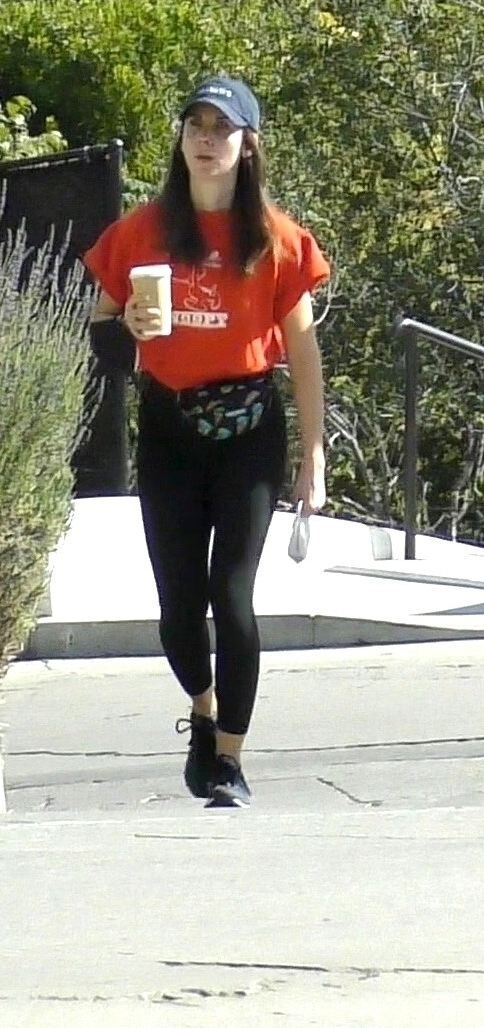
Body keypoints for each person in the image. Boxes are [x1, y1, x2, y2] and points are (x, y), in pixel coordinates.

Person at [83, 76, 329, 808]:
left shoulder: (277, 238)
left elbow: (304, 352)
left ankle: (229, 759)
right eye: (196, 124)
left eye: (223, 128)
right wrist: (126, 329)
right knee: (178, 608)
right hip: (170, 428)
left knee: (233, 596)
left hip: (249, 430)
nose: (206, 139)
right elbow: (98, 330)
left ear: (247, 145)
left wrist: (313, 456)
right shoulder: (143, 230)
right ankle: (203, 705)